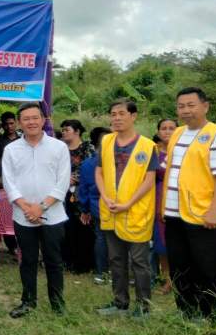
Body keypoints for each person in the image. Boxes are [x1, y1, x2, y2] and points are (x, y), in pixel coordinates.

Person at [163, 87, 216, 324]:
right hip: (174, 213)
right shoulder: (177, 133)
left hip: (204, 214)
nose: (185, 110)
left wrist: (215, 209)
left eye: (191, 105)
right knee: (180, 266)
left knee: (207, 267)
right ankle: (187, 312)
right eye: (181, 106)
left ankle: (212, 316)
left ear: (205, 106)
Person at [3, 102, 71, 318]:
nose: (31, 122)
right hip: (23, 217)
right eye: (26, 118)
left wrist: (40, 207)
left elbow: (62, 183)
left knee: (53, 260)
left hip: (53, 214)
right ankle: (28, 302)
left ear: (43, 120)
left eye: (35, 117)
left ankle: (57, 304)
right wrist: (26, 208)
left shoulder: (58, 147)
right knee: (28, 260)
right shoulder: (11, 149)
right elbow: (9, 182)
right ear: (20, 123)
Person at [94, 100, 158, 317]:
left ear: (133, 116)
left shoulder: (148, 146)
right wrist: (105, 197)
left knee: (140, 261)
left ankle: (143, 307)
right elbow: (99, 173)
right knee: (116, 259)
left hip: (135, 211)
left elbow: (149, 180)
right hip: (111, 209)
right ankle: (120, 303)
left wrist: (128, 203)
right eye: (113, 114)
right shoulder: (106, 142)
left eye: (122, 114)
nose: (117, 118)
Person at [60, 119, 95, 273]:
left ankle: (85, 264)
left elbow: (92, 167)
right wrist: (64, 179)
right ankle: (68, 261)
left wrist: (74, 177)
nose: (64, 132)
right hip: (64, 192)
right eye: (63, 130)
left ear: (77, 131)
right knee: (67, 227)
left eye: (67, 129)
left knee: (84, 227)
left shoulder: (88, 147)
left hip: (83, 192)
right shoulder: (60, 148)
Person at [77, 126, 111, 284]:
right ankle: (114, 271)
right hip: (116, 204)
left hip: (96, 205)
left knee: (101, 238)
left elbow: (83, 189)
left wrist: (84, 209)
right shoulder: (115, 161)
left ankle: (100, 272)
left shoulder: (87, 164)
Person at [152, 119, 177, 294]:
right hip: (158, 197)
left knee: (179, 241)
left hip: (179, 197)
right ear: (159, 131)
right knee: (161, 243)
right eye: (163, 128)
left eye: (171, 128)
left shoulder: (183, 150)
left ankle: (181, 279)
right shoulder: (153, 151)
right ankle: (167, 279)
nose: (167, 131)